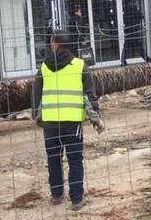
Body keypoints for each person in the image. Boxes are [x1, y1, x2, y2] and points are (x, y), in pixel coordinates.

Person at [32, 31, 104, 209]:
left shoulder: (44, 67)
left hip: (50, 123)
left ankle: (56, 195)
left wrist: (36, 115)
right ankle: (77, 199)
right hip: (72, 123)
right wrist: (96, 118)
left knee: (53, 158)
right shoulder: (80, 66)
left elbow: (36, 93)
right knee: (74, 159)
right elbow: (90, 95)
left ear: (54, 43)